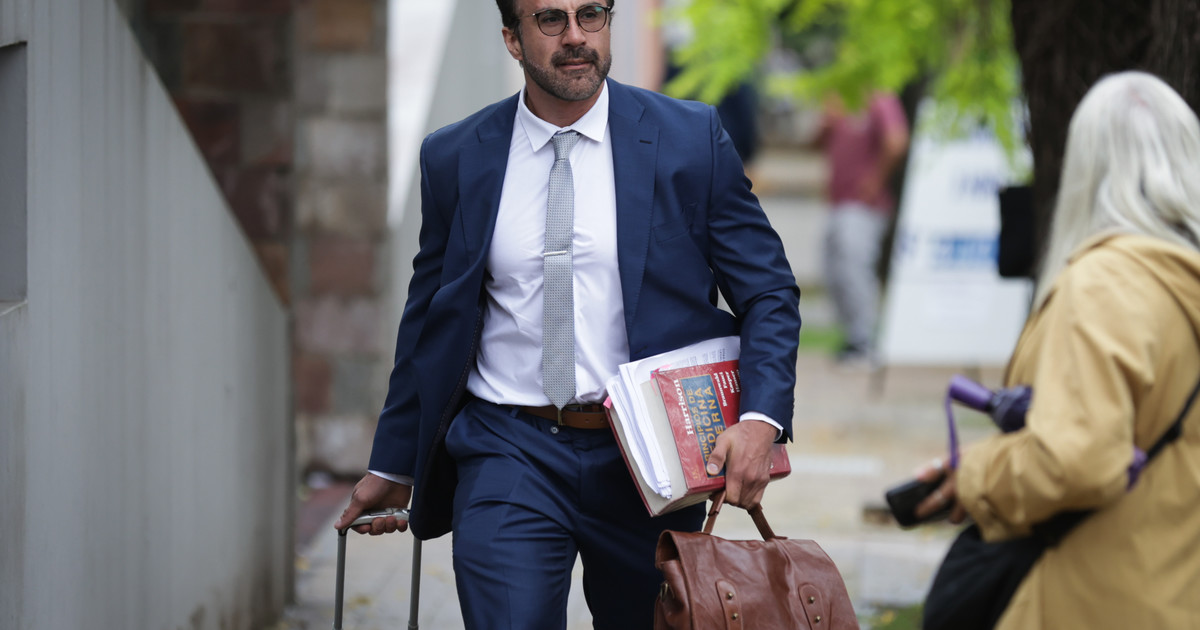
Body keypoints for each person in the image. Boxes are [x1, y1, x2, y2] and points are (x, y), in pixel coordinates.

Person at [333, 1, 802, 628]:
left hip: (652, 461)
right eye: (552, 19)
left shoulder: (690, 140)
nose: (577, 36)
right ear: (512, 38)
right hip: (509, 449)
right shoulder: (457, 156)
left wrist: (761, 418)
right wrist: (394, 462)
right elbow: (428, 319)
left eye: (592, 14)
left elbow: (768, 291)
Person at [914, 71, 1200, 628]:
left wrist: (975, 476)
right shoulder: (1180, 282)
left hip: (1099, 596)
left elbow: (1077, 459)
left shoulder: (1104, 283)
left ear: (1085, 167)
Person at [815, 91, 909, 365]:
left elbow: (896, 141)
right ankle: (853, 338)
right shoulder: (840, 97)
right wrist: (826, 123)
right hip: (837, 202)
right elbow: (815, 144)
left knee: (854, 270)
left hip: (864, 205)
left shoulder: (880, 98)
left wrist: (875, 180)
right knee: (834, 273)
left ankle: (865, 341)